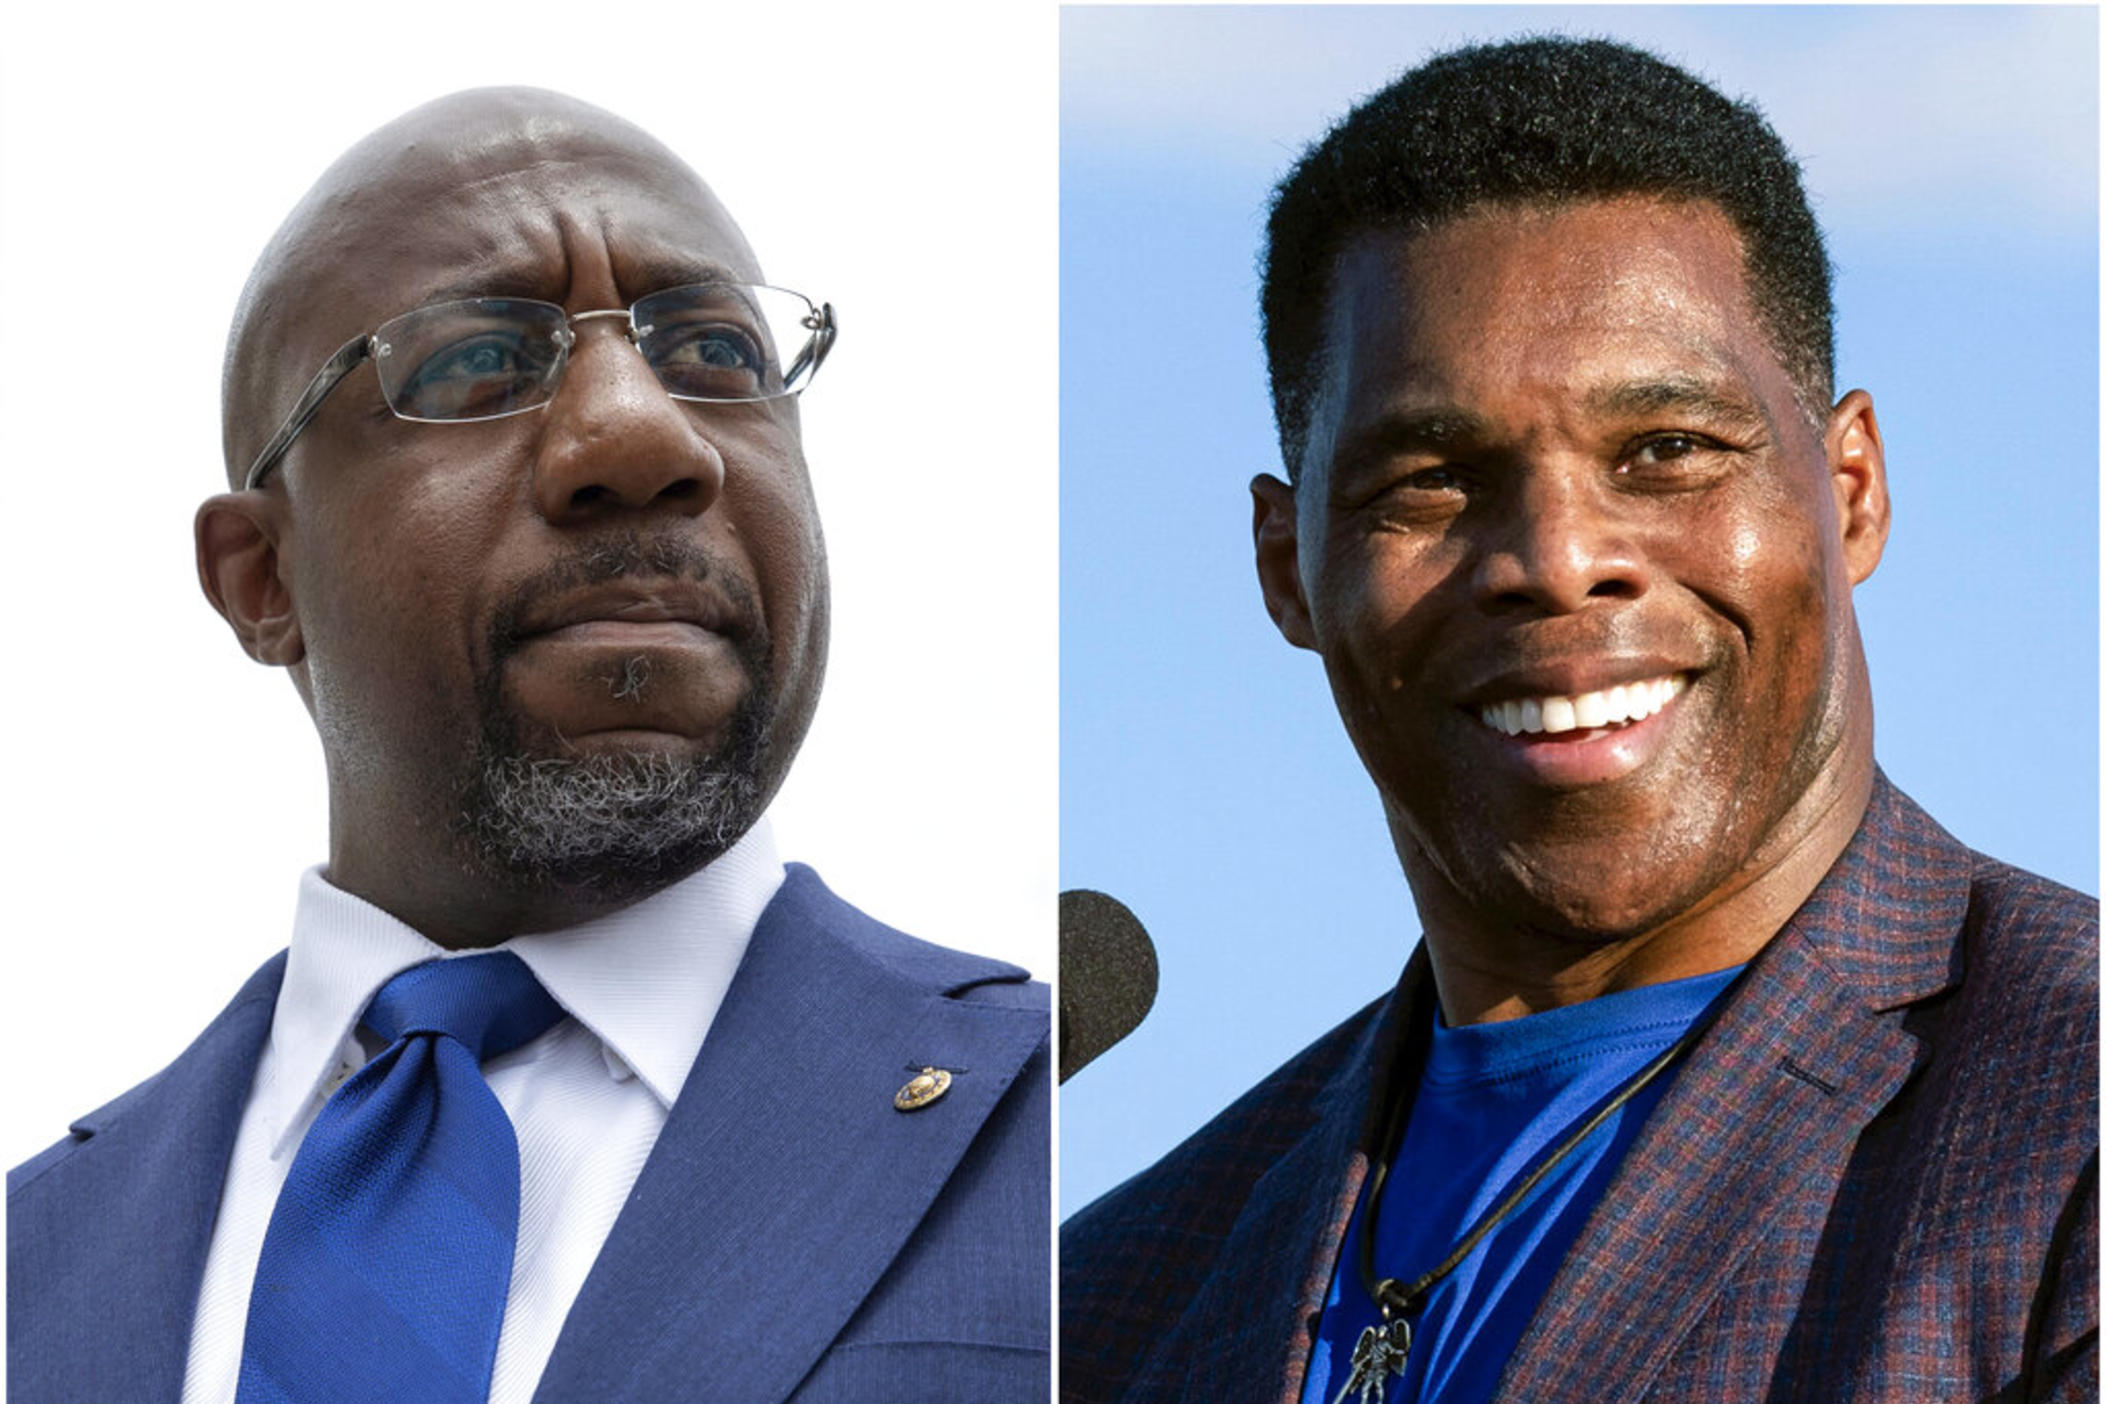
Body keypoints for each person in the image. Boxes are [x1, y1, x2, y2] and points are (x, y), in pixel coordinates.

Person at [1061, 37, 2096, 1404]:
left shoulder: (2062, 1124)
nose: (1554, 557)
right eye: (1426, 482)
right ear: (1285, 567)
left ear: (1848, 491)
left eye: (1665, 451)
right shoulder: (1113, 1291)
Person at [8, 88, 1049, 1404]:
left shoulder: (1051, 1123)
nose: (639, 436)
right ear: (263, 577)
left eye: (715, 354)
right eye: (474, 366)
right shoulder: (30, 1269)